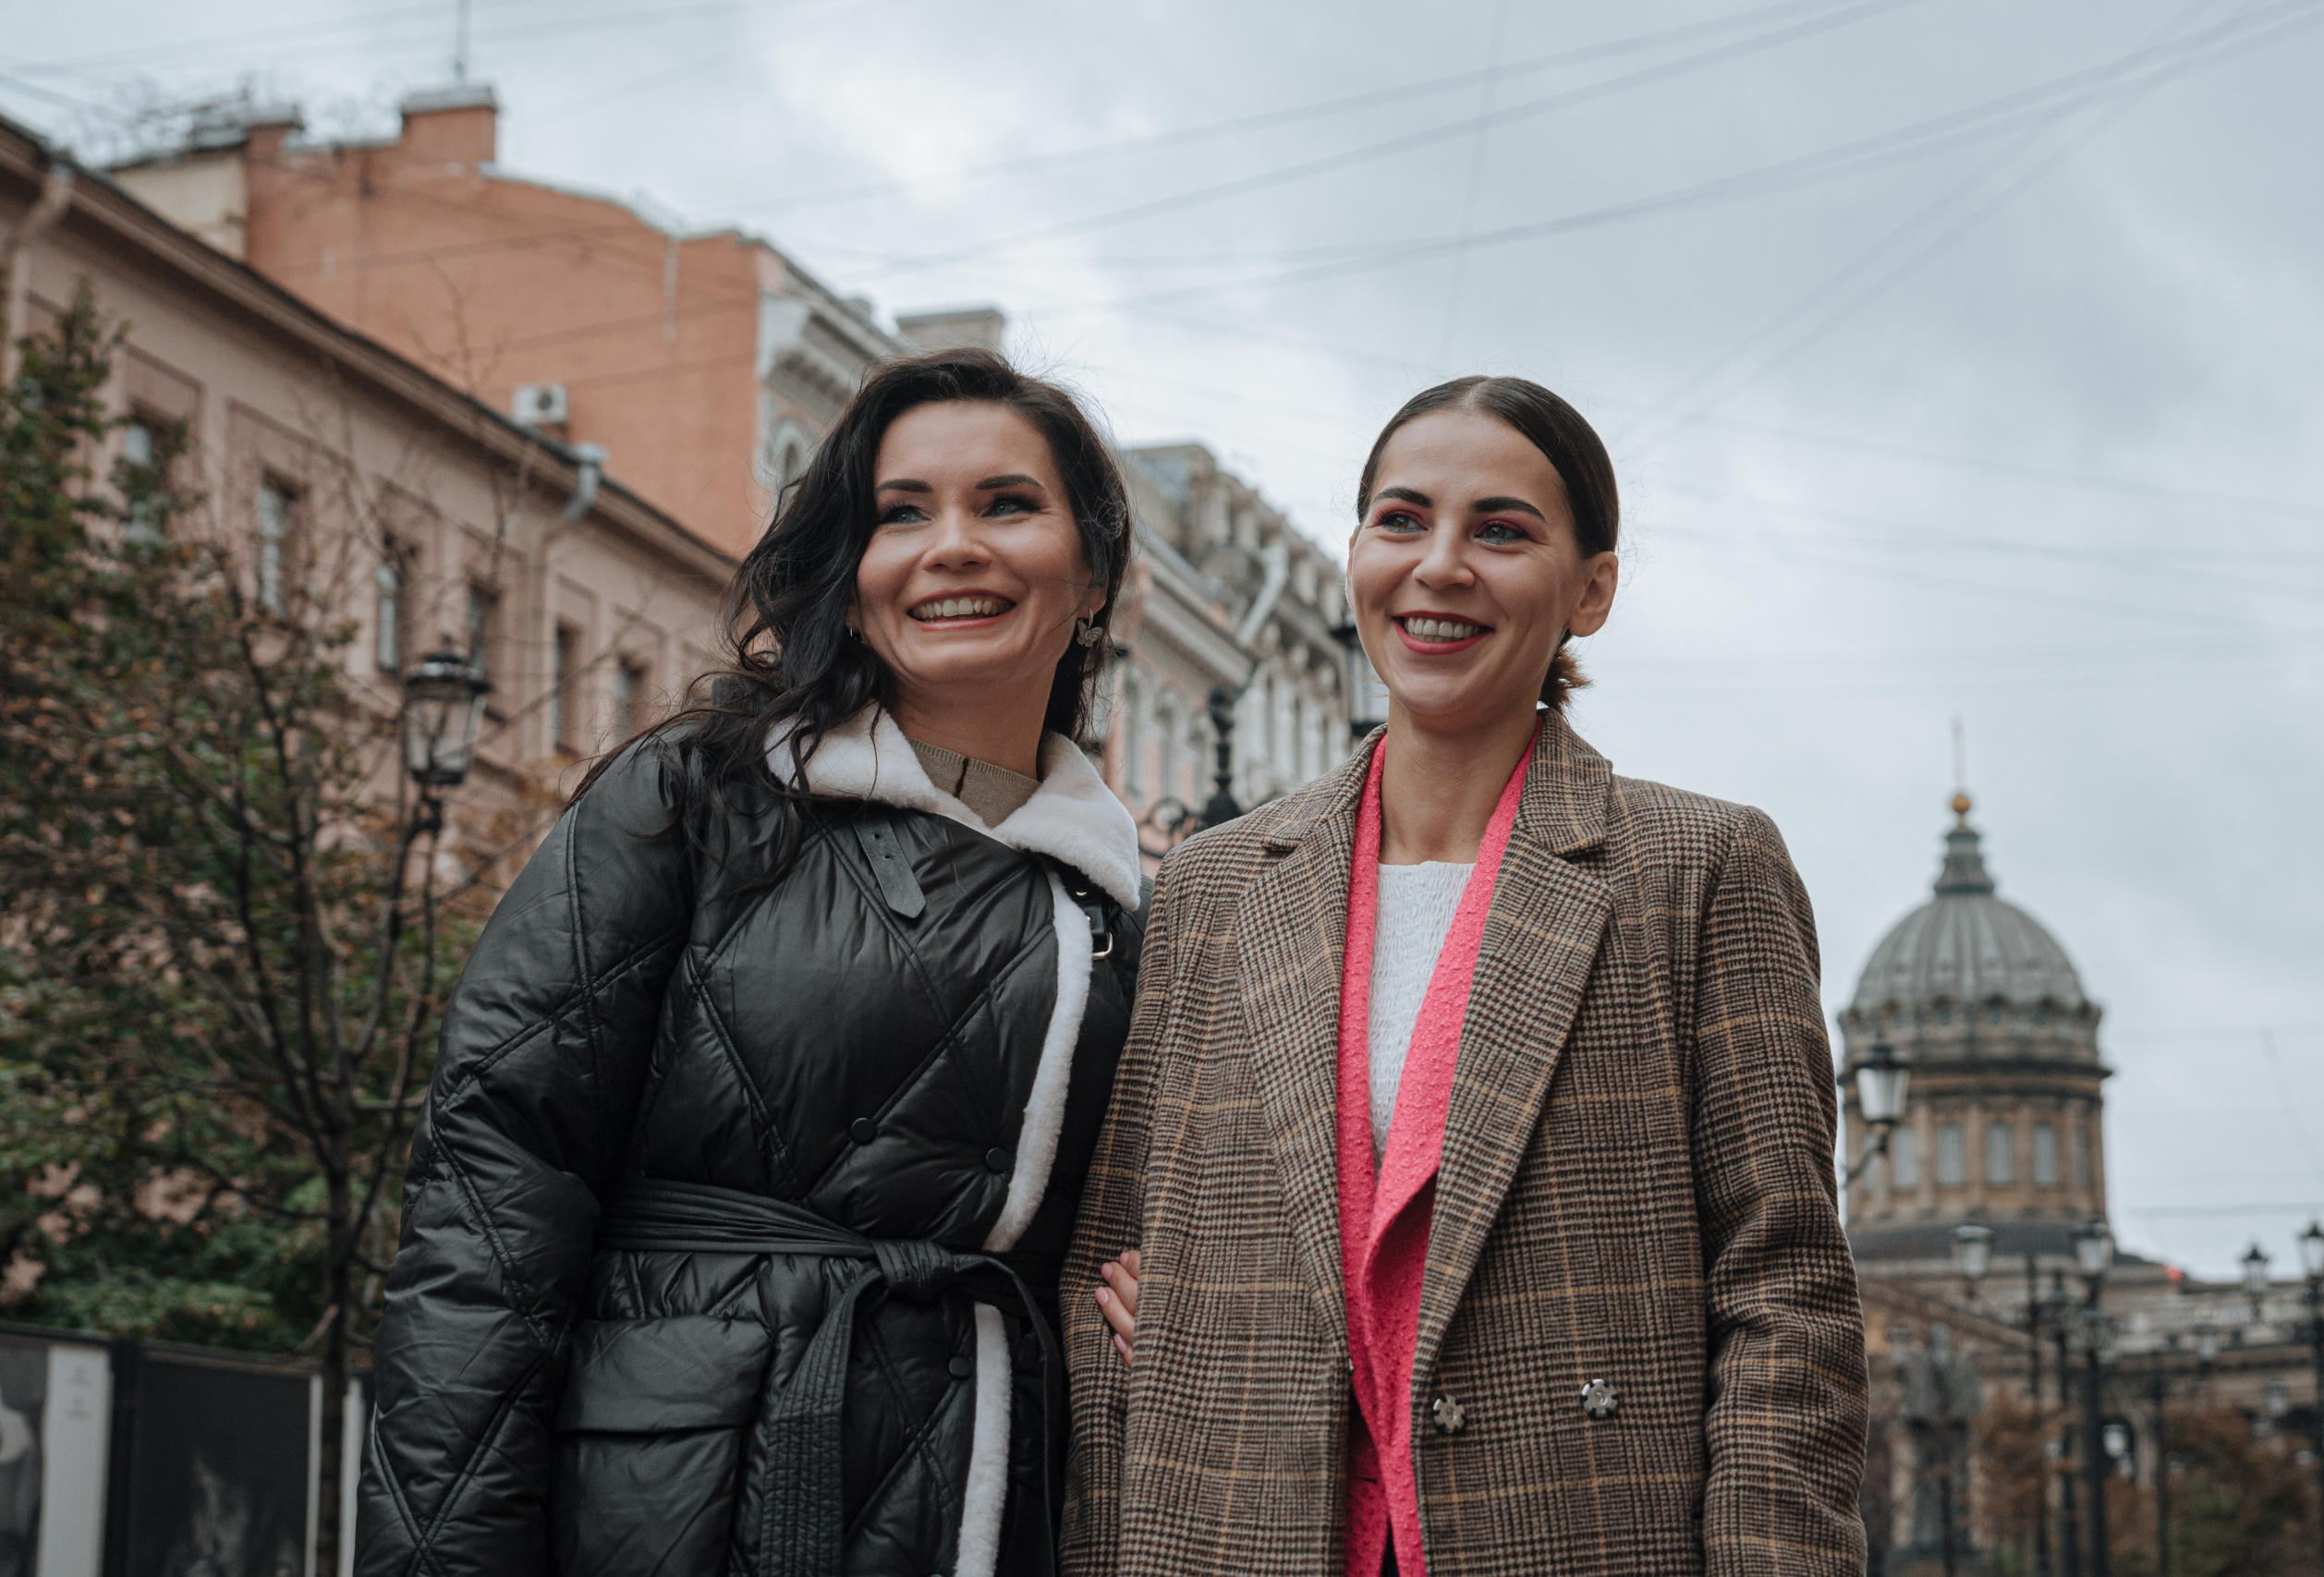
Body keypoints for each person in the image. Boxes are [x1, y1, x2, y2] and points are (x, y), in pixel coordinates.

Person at [356, 348, 1149, 1577]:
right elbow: (494, 1189)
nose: (951, 546)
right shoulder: (698, 797)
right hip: (673, 1494)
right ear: (854, 569)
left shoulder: (1131, 908)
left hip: (1005, 1494)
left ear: (1094, 576)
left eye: (1006, 504)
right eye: (902, 513)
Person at [1064, 376, 1868, 1577]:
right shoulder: (1216, 885)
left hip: (1578, 1530)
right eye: (1401, 521)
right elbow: (1112, 1261)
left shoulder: (1699, 869)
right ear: (1356, 555)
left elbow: (1784, 1299)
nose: (1439, 565)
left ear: (1589, 588)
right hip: (1234, 1531)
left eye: (1501, 530)